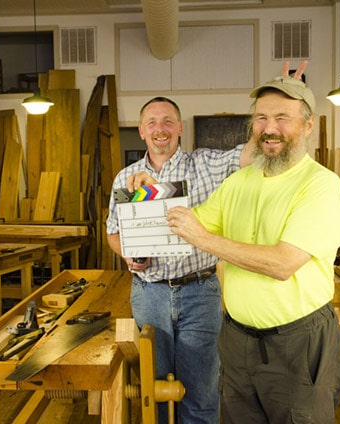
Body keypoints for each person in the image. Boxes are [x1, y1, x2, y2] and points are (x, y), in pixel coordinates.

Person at [166, 73, 340, 423]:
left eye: (283, 118)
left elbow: (282, 264)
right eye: (262, 118)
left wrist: (204, 240)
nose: (270, 128)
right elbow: (189, 223)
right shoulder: (239, 182)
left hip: (297, 344)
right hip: (237, 341)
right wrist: (143, 195)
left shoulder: (321, 186)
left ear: (308, 125)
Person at [105, 95, 254, 423]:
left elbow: (249, 155)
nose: (161, 129)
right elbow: (113, 234)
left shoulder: (204, 165)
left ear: (180, 129)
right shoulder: (126, 178)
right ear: (142, 131)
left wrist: (276, 110)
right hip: (149, 294)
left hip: (199, 291)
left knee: (201, 392)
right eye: (152, 123)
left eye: (168, 121)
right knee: (152, 391)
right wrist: (128, 254)